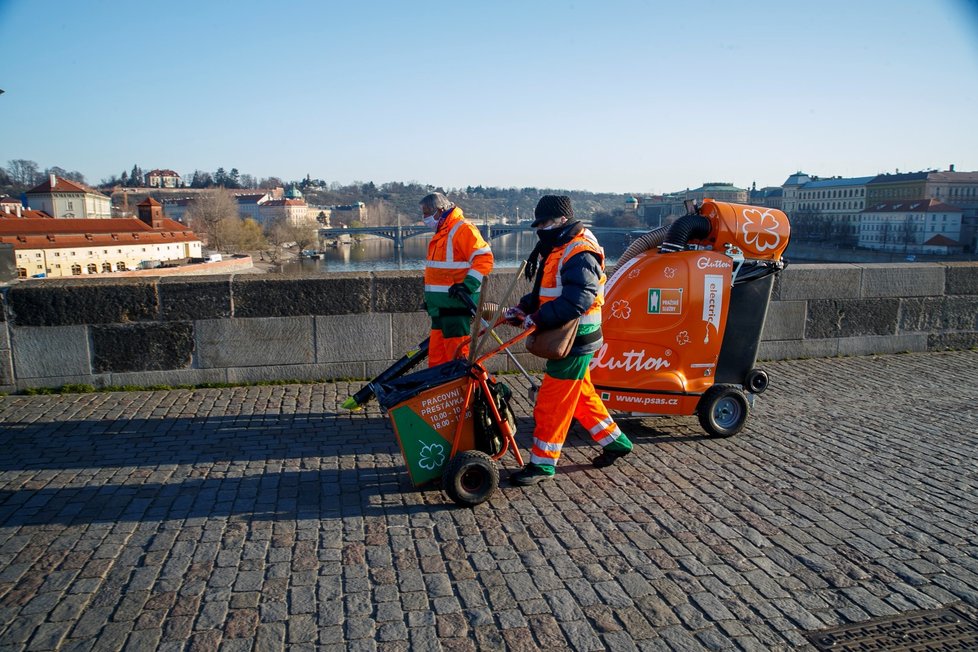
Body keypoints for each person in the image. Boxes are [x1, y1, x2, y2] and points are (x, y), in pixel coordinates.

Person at [505, 195, 633, 485]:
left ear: (562, 220)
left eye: (546, 222)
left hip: (575, 337)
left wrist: (536, 319)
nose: (541, 229)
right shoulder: (559, 245)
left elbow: (578, 299)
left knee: (551, 403)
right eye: (539, 224)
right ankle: (616, 442)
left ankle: (542, 464)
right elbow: (547, 291)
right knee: (580, 397)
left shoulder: (579, 250)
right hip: (570, 333)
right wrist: (525, 308)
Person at [420, 192, 494, 367]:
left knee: (459, 359)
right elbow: (440, 274)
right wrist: (431, 300)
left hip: (456, 306)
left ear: (438, 211)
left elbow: (484, 258)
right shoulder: (443, 232)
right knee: (438, 361)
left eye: (426, 213)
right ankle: (442, 393)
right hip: (440, 308)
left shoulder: (462, 228)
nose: (424, 218)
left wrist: (467, 286)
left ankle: (469, 393)